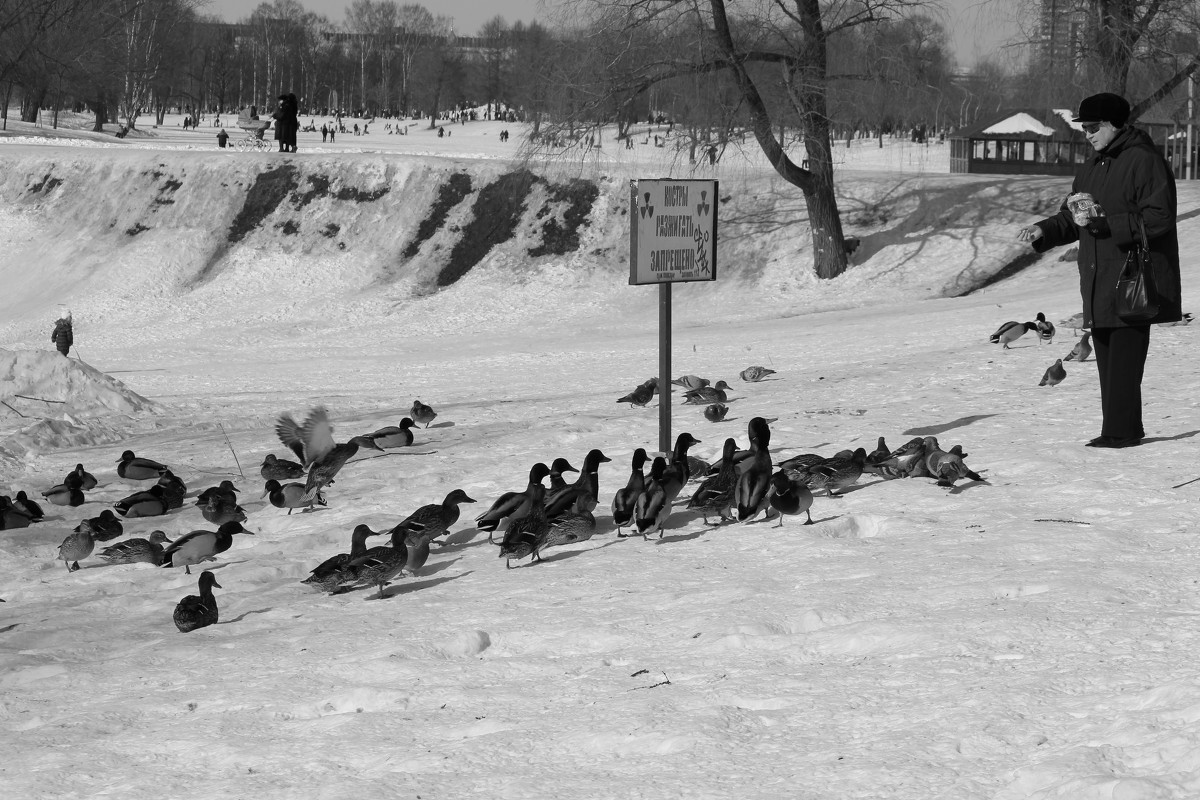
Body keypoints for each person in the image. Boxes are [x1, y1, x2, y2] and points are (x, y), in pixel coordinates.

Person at [1019, 92, 1182, 448]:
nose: (1087, 134)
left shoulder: (1144, 160)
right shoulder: (1093, 165)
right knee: (1107, 356)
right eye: (1084, 127)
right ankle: (1119, 429)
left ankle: (1121, 433)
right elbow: (1073, 216)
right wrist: (1044, 230)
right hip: (1098, 276)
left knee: (1123, 358)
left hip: (1133, 276)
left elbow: (1160, 217)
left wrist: (1110, 224)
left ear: (1114, 124)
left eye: (1093, 127)